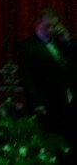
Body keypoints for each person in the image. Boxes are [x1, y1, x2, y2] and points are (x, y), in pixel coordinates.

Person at [17, 8, 76, 156]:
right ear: (38, 24)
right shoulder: (28, 47)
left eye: (54, 26)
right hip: (48, 104)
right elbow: (27, 79)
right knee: (53, 144)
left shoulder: (60, 42)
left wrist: (68, 41)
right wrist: (37, 104)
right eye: (47, 26)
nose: (51, 29)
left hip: (68, 100)